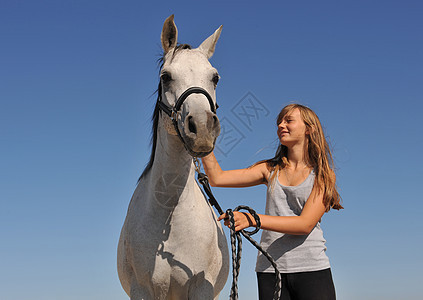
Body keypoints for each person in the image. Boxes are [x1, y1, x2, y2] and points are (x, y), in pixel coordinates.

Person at [201, 103, 343, 300]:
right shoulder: (269, 169)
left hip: (311, 268)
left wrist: (252, 219)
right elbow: (217, 178)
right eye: (279, 122)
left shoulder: (322, 175)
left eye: (289, 121)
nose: (281, 126)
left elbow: (304, 224)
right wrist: (203, 139)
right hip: (270, 269)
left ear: (309, 128)